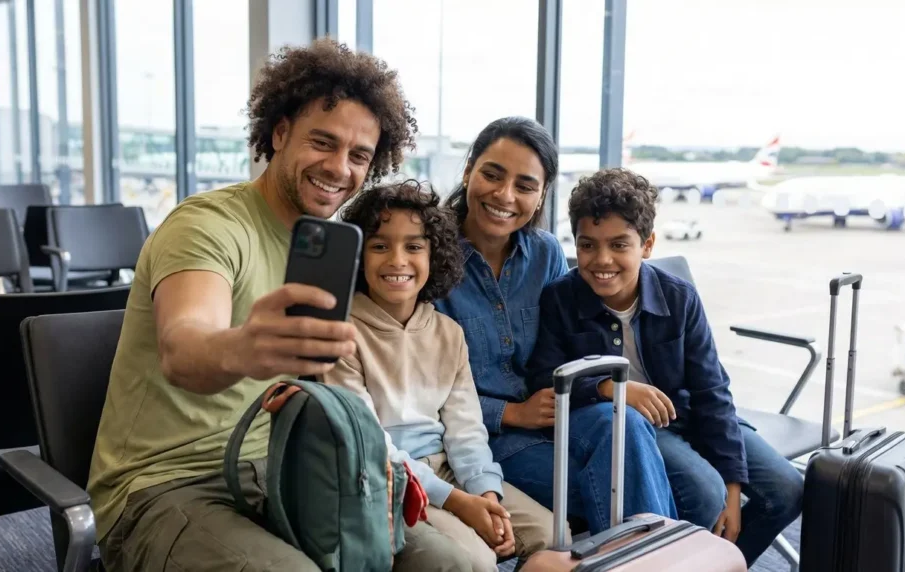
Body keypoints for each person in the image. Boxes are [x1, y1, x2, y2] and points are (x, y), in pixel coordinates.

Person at [86, 39, 472, 572]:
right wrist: (243, 347)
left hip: (284, 467)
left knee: (451, 565)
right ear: (280, 132)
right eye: (323, 142)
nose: (339, 167)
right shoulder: (206, 226)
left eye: (359, 155)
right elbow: (184, 347)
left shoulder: (329, 248)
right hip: (166, 484)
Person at [526, 167, 804, 565]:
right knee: (704, 496)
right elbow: (543, 378)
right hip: (637, 428)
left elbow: (712, 390)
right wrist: (609, 387)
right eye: (588, 246)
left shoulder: (679, 298)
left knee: (786, 489)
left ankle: (720, 563)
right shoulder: (560, 298)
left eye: (619, 245)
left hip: (687, 413)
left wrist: (733, 486)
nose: (601, 260)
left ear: (648, 244)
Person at [433, 116, 676, 536]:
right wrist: (511, 412)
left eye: (525, 185)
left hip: (557, 413)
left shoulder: (544, 251)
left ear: (542, 193)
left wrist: (592, 388)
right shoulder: (429, 254)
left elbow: (563, 343)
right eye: (492, 174)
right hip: (484, 435)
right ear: (469, 169)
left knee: (626, 423)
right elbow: (421, 383)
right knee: (619, 485)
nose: (505, 195)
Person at [323, 180, 557, 570]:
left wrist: (486, 494)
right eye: (380, 246)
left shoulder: (448, 333)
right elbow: (370, 444)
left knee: (551, 536)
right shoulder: (341, 333)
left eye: (414, 246)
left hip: (448, 469)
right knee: (478, 560)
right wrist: (458, 502)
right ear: (359, 258)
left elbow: (465, 429)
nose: (397, 260)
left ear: (435, 256)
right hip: (389, 479)